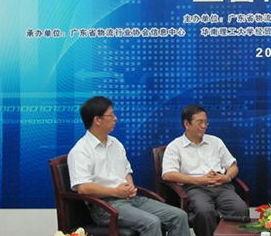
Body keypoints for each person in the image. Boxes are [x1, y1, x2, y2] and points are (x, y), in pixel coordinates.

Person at [67, 96, 190, 236]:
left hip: (130, 199)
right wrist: (115, 192)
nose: (115, 118)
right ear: (97, 120)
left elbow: (126, 172)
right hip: (104, 206)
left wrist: (129, 187)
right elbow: (83, 188)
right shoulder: (81, 150)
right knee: (151, 222)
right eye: (111, 115)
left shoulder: (115, 143)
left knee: (179, 216)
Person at [162, 104, 249, 236]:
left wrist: (226, 177)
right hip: (194, 188)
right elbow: (168, 174)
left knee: (240, 208)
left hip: (221, 186)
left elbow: (232, 166)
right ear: (186, 124)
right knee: (204, 211)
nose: (204, 126)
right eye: (199, 122)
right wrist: (199, 180)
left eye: (205, 122)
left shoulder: (215, 142)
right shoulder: (175, 146)